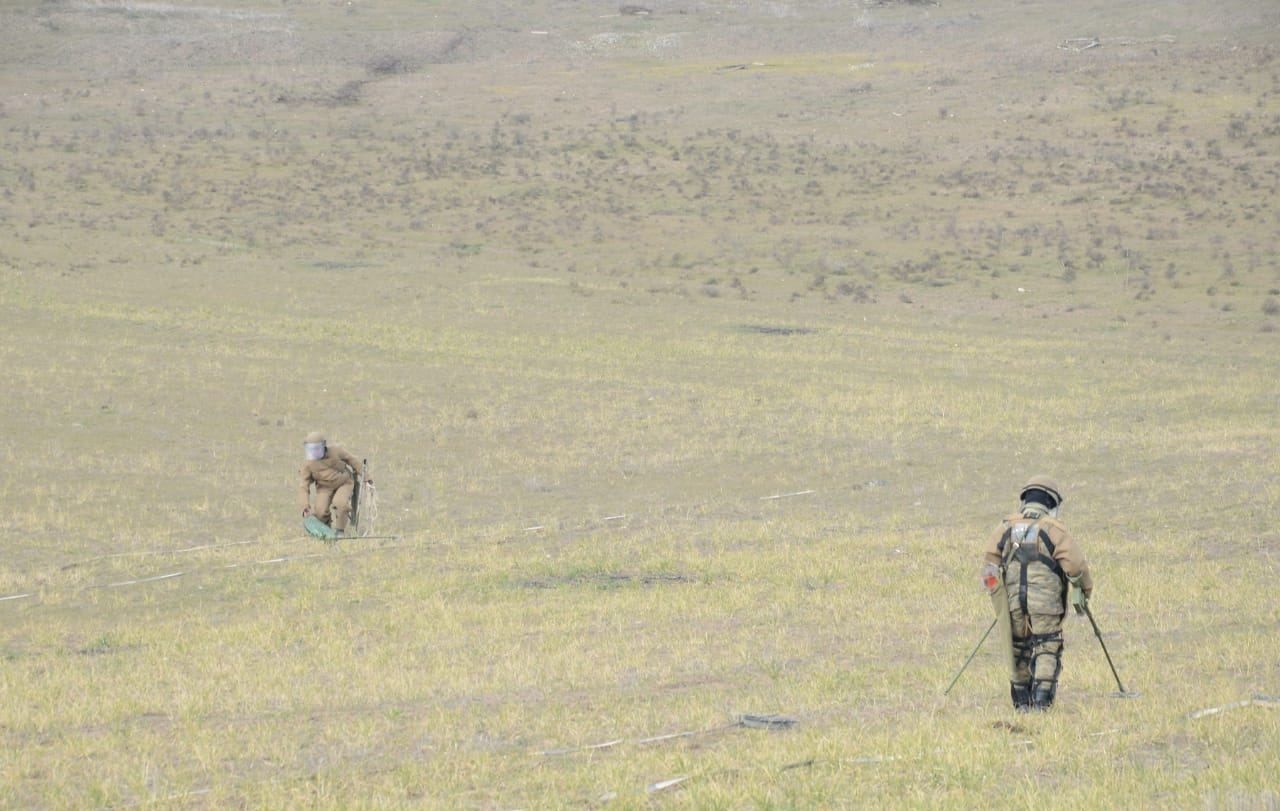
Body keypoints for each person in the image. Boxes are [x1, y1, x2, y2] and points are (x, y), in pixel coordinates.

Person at [981, 475, 1092, 711]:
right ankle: (1042, 702)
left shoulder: (1005, 528)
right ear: (1052, 504)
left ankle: (1021, 703)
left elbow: (989, 567)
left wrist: (999, 601)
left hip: (1013, 602)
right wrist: (1084, 592)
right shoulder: (1054, 529)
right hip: (1046, 603)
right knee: (1047, 645)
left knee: (1019, 646)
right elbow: (1076, 567)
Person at [298, 431, 368, 538]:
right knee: (320, 511)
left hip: (344, 483)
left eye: (317, 449)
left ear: (323, 445)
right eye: (311, 449)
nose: (314, 452)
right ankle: (326, 533)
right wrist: (305, 506)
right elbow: (303, 486)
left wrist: (366, 477)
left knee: (340, 504)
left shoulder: (336, 451)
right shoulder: (307, 465)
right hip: (324, 488)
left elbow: (353, 460)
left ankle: (340, 532)